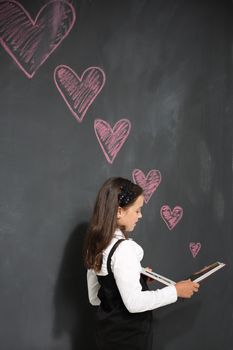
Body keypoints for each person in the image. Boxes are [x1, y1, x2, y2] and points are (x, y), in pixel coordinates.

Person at [83, 177, 199, 350]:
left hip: (107, 336)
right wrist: (175, 291)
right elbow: (134, 303)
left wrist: (135, 279)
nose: (140, 215)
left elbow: (95, 298)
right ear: (119, 211)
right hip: (130, 339)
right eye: (137, 210)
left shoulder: (98, 244)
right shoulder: (124, 249)